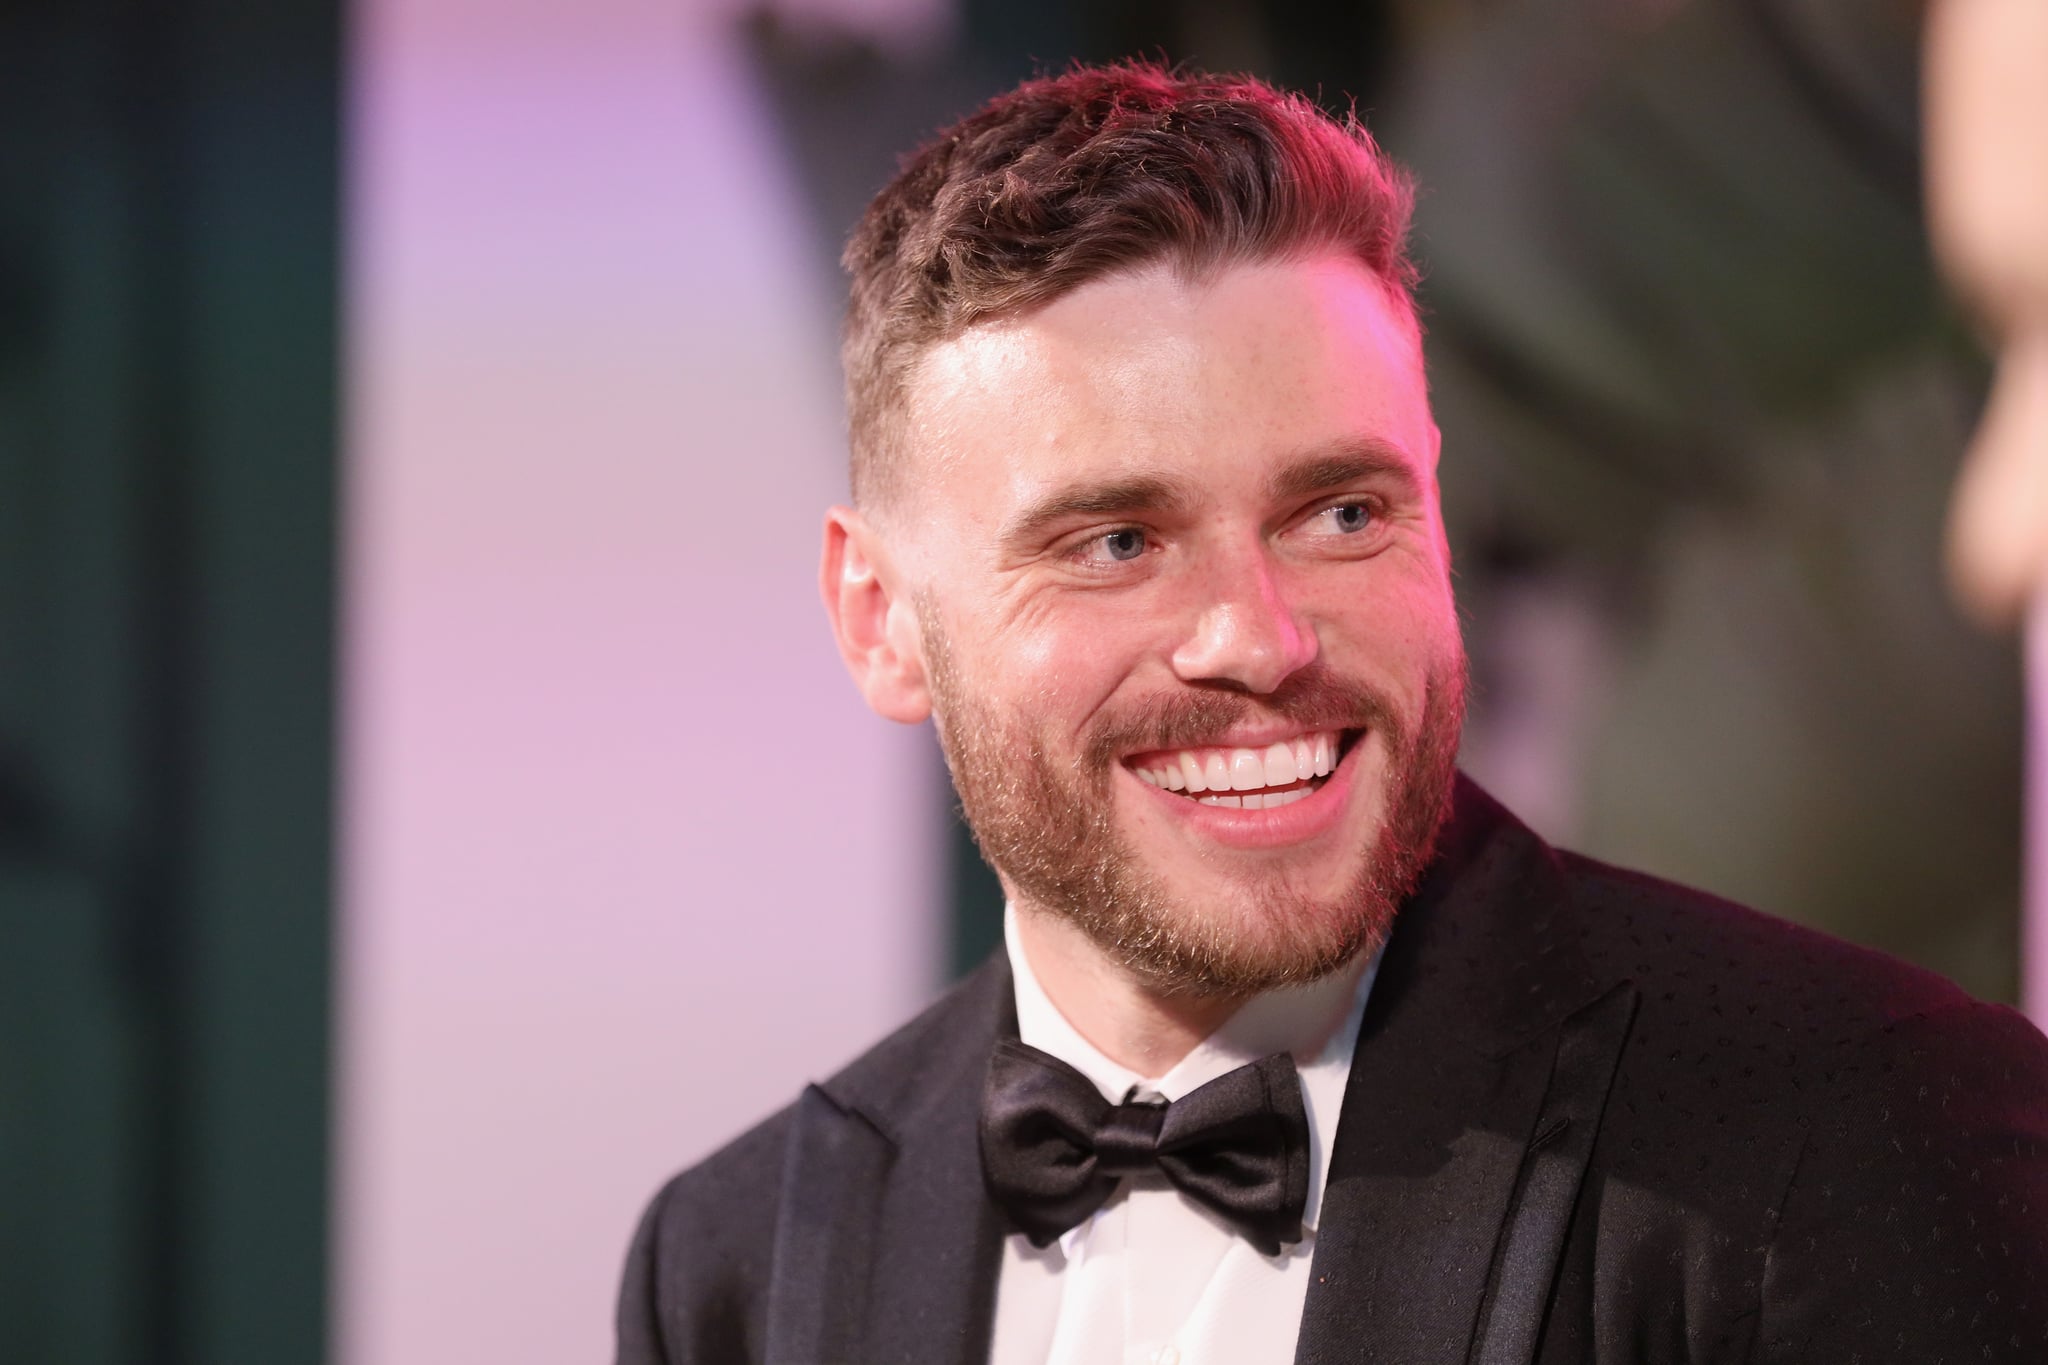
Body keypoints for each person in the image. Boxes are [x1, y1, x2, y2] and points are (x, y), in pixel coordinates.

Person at [616, 63, 2048, 1364]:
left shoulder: (1871, 1134)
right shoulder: (736, 1269)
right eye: (1118, 540)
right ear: (880, 618)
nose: (1261, 635)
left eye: (1343, 511)